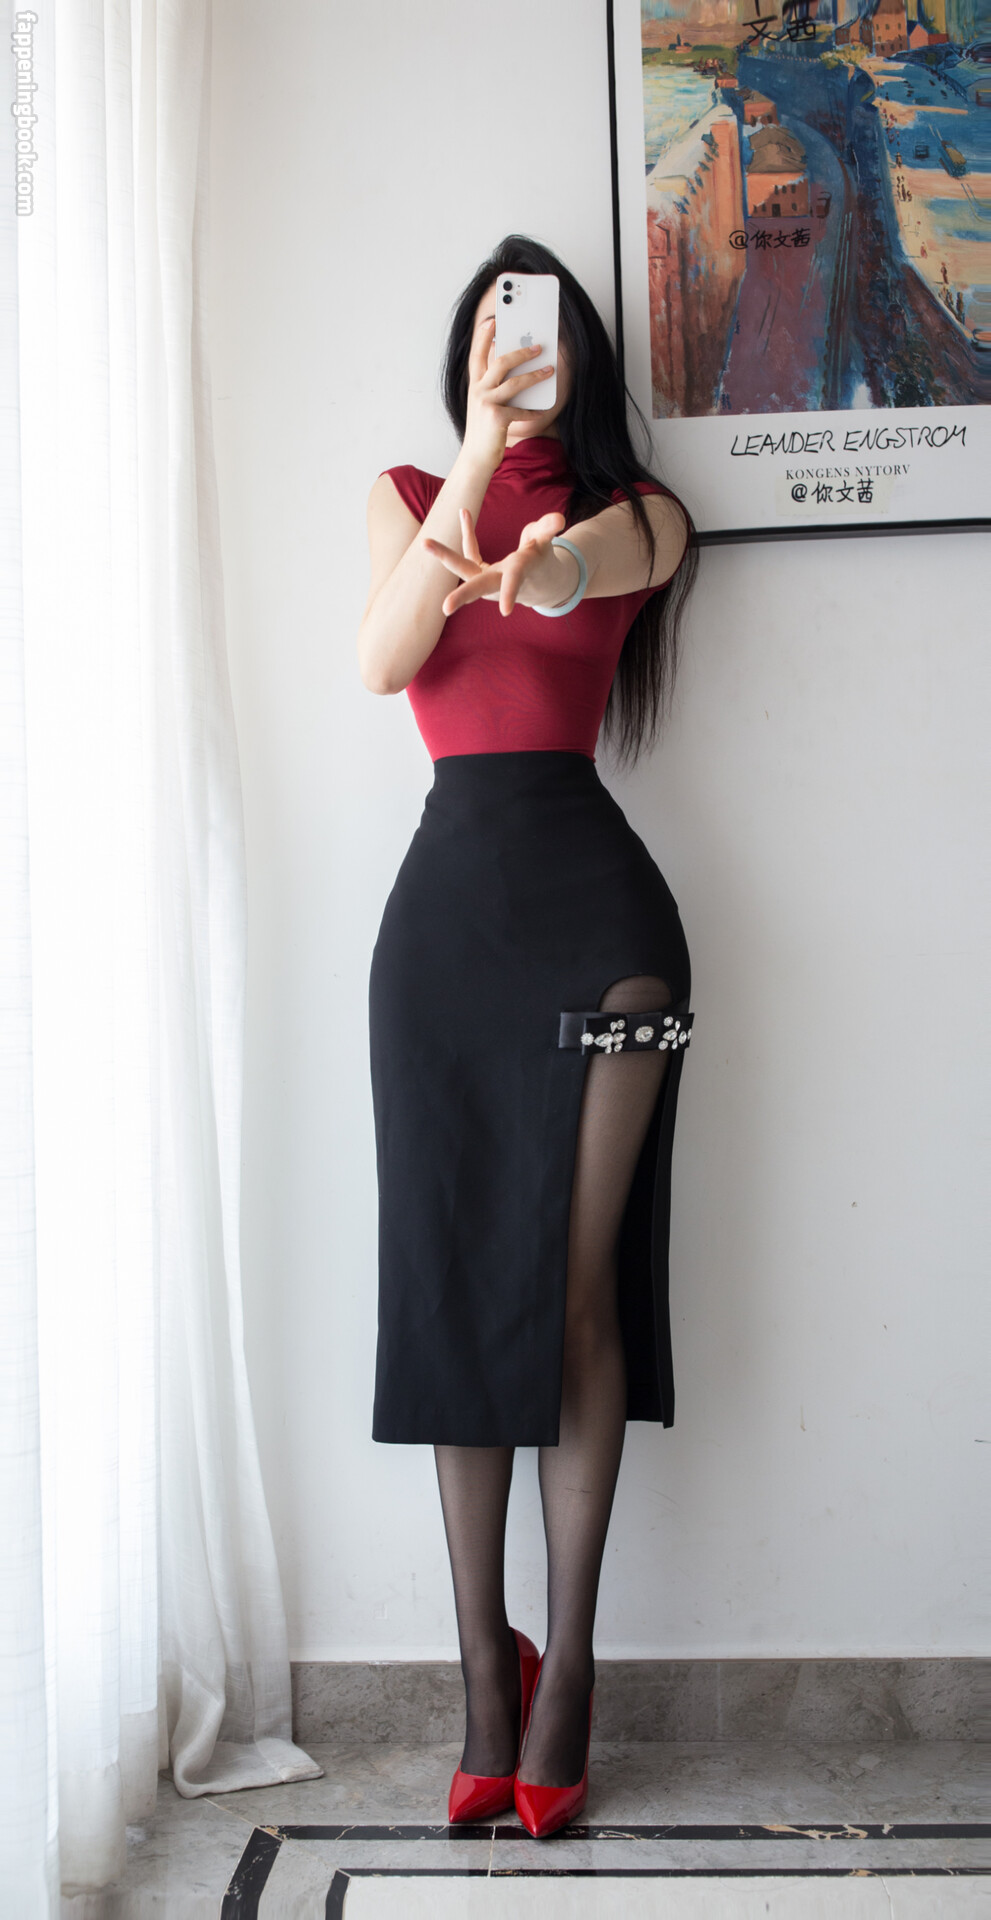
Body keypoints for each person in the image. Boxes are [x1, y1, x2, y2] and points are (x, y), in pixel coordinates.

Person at [357, 235, 699, 1839]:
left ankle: (569, 1680)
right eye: (496, 327)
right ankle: (485, 1682)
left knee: (567, 1294)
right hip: (440, 943)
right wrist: (481, 463)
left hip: (612, 938)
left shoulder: (646, 511)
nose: (521, 344)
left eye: (543, 325)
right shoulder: (409, 492)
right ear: (465, 351)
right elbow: (382, 660)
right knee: (452, 1294)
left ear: (587, 351)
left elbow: (577, 578)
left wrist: (539, 559)